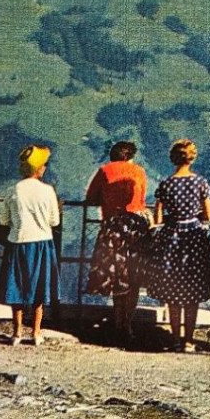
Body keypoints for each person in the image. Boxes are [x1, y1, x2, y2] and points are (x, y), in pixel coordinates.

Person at [149, 138, 210, 352]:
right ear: (192, 157)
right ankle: (189, 340)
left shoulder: (166, 184)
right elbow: (208, 215)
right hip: (194, 238)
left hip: (172, 237)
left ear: (173, 158)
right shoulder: (201, 183)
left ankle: (174, 338)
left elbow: (158, 216)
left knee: (173, 290)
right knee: (192, 292)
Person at [84, 139, 150, 341]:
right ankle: (127, 325)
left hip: (113, 228)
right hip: (136, 229)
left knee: (117, 277)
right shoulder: (139, 171)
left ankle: (117, 322)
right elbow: (141, 200)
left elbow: (90, 197)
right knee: (134, 277)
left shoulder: (104, 171)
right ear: (130, 156)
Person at [0, 145, 61, 346]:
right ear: (40, 168)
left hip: (17, 242)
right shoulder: (47, 190)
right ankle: (36, 332)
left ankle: (16, 333)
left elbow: (5, 220)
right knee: (39, 288)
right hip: (42, 243)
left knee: (17, 286)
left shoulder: (12, 190)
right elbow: (55, 221)